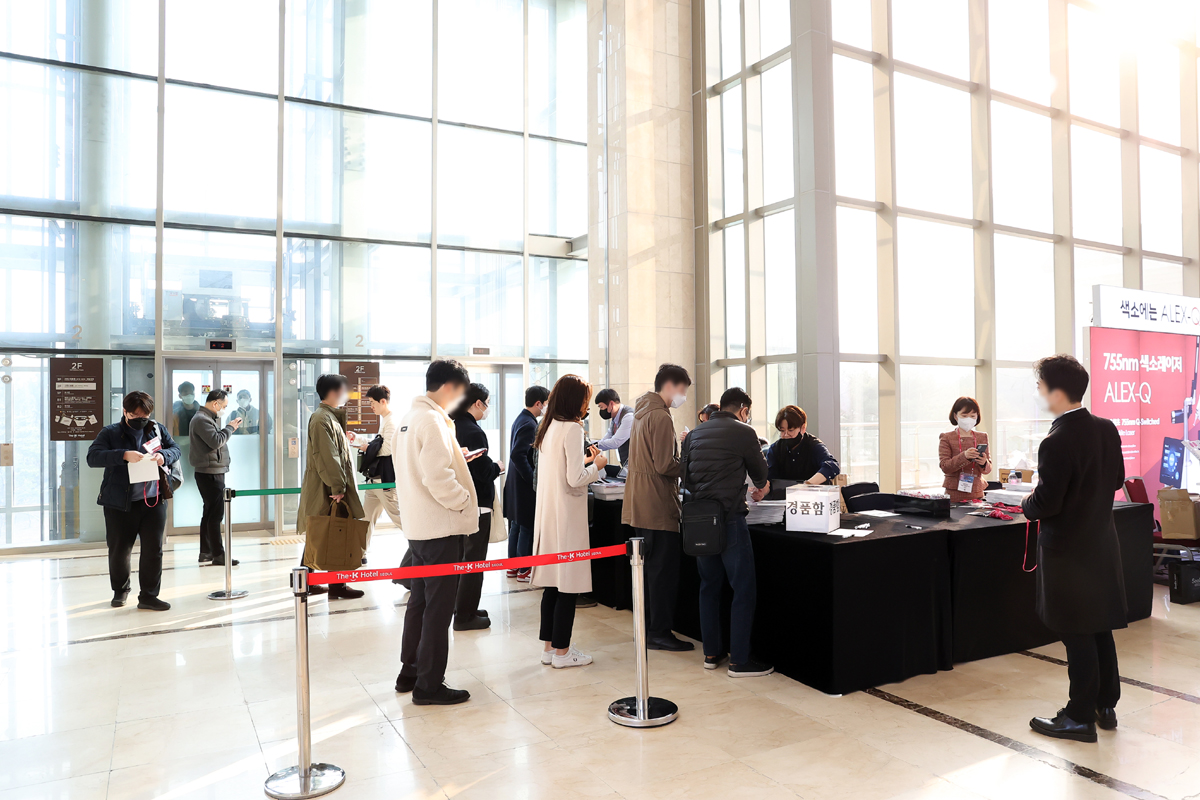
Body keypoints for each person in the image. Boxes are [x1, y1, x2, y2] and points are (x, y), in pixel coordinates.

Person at [1023, 355, 1127, 743]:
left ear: (1056, 391)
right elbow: (1116, 479)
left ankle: (1079, 716)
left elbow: (1046, 503)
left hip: (1068, 553)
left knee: (1075, 630)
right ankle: (1105, 705)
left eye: (1039, 387)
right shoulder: (1106, 428)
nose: (1038, 394)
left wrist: (1025, 503)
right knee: (1098, 625)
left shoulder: (1056, 440)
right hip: (1101, 544)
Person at [393, 359, 480, 705]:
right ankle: (429, 685)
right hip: (440, 528)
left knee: (420, 602)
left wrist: (457, 460)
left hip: (418, 526)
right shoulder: (431, 420)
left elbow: (420, 469)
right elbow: (437, 478)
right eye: (460, 392)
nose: (459, 399)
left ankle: (410, 672)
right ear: (449, 387)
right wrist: (463, 501)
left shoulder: (409, 418)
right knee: (438, 609)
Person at [681, 388, 774, 677]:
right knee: (743, 588)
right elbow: (760, 474)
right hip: (730, 517)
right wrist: (759, 486)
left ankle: (711, 653)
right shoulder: (744, 432)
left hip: (700, 519)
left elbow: (685, 476)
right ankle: (739, 661)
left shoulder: (694, 434)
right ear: (743, 409)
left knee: (709, 586)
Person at [531, 375, 606, 668]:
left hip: (549, 514)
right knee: (568, 585)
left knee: (553, 583)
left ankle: (549, 648)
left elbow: (561, 471)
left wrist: (586, 463)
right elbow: (575, 479)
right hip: (567, 516)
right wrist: (597, 466)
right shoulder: (573, 428)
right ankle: (563, 652)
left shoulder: (548, 426)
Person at [622, 363, 694, 652]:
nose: (683, 397)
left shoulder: (641, 411)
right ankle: (660, 632)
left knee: (648, 572)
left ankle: (648, 628)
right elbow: (665, 465)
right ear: (671, 386)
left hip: (639, 503)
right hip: (657, 504)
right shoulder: (661, 416)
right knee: (663, 574)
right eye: (683, 390)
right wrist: (689, 466)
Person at [87, 391, 181, 611]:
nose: (141, 420)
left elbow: (175, 449)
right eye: (135, 416)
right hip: (120, 503)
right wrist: (123, 455)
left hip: (154, 501)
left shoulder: (157, 429)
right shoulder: (111, 432)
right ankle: (120, 590)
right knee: (120, 550)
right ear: (125, 411)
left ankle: (149, 596)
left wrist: (163, 456)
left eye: (145, 416)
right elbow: (93, 457)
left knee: (153, 550)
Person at [297, 374, 365, 600]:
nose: (346, 395)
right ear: (335, 392)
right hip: (327, 489)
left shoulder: (327, 417)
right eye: (344, 390)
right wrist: (337, 487)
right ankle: (336, 586)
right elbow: (327, 457)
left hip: (327, 487)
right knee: (333, 533)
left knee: (321, 534)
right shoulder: (321, 419)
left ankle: (306, 582)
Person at [451, 382, 503, 632]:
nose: (487, 408)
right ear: (478, 403)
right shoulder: (473, 431)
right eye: (487, 403)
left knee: (464, 559)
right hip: (478, 504)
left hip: (461, 503)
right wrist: (498, 467)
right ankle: (464, 616)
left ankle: (464, 608)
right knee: (474, 562)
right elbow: (482, 472)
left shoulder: (453, 425)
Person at [189, 389, 242, 566]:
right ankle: (218, 554)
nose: (224, 410)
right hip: (210, 472)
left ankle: (206, 552)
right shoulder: (202, 419)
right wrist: (230, 427)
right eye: (224, 406)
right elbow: (216, 441)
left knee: (209, 512)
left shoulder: (206, 418)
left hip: (210, 470)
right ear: (215, 403)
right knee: (215, 515)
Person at [504, 385, 549, 582]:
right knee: (526, 527)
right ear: (539, 403)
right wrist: (533, 479)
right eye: (546, 403)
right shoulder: (530, 424)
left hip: (515, 483)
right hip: (524, 485)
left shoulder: (521, 419)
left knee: (516, 525)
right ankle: (524, 569)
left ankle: (513, 567)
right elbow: (518, 454)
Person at [356, 385, 401, 564]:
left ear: (383, 401)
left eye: (372, 403)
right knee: (366, 518)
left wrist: (368, 448)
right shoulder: (386, 420)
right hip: (374, 480)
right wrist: (360, 441)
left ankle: (423, 544)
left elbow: (387, 449)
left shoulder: (392, 421)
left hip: (384, 480)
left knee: (398, 516)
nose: (371, 406)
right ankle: (359, 554)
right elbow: (378, 444)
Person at [767, 405, 839, 484]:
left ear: (803, 428)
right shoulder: (775, 449)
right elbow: (770, 477)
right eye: (782, 431)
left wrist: (808, 484)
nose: (786, 435)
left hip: (813, 491)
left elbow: (832, 465)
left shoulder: (814, 445)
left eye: (791, 430)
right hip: (784, 492)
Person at [938, 396, 992, 502]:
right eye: (964, 415)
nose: (968, 419)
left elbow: (988, 469)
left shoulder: (982, 436)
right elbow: (945, 466)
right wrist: (964, 456)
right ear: (955, 416)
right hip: (954, 492)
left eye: (972, 416)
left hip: (977, 491)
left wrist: (984, 463)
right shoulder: (946, 437)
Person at [594, 388, 634, 466]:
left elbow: (615, 442)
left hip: (635, 464)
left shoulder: (628, 417)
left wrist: (594, 445)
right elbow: (607, 438)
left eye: (601, 407)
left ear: (611, 404)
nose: (601, 411)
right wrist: (592, 445)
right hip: (626, 463)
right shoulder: (615, 419)